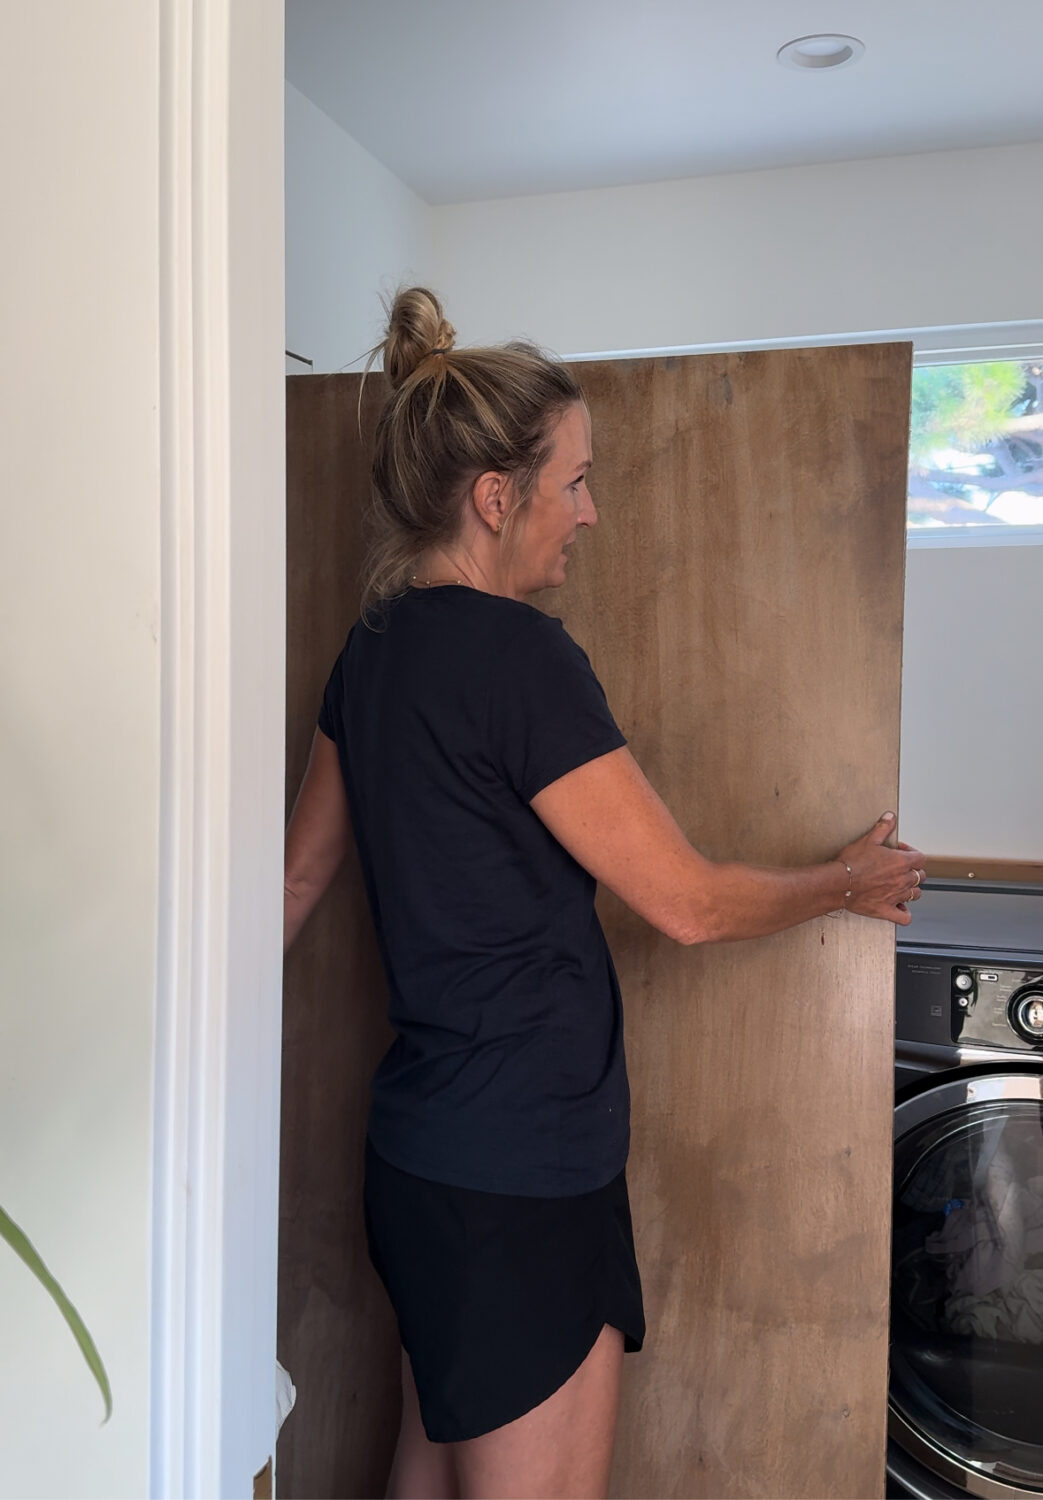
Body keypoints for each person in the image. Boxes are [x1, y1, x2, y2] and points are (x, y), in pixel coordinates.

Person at [283, 286, 925, 1500]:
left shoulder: (367, 653)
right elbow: (685, 902)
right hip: (523, 1171)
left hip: (423, 1162)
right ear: (493, 497)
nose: (589, 511)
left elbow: (294, 882)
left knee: (427, 1465)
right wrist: (844, 882)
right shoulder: (519, 657)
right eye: (572, 482)